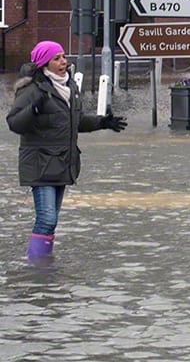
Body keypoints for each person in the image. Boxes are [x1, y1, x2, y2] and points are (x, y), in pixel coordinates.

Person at [6, 41, 127, 261]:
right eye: (57, 58)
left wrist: (103, 122)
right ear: (44, 63)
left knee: (52, 221)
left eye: (63, 57)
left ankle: (44, 267)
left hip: (63, 163)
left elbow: (76, 121)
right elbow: (14, 123)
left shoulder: (70, 87)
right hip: (40, 164)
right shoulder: (31, 89)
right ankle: (35, 268)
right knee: (47, 219)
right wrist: (34, 109)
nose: (63, 62)